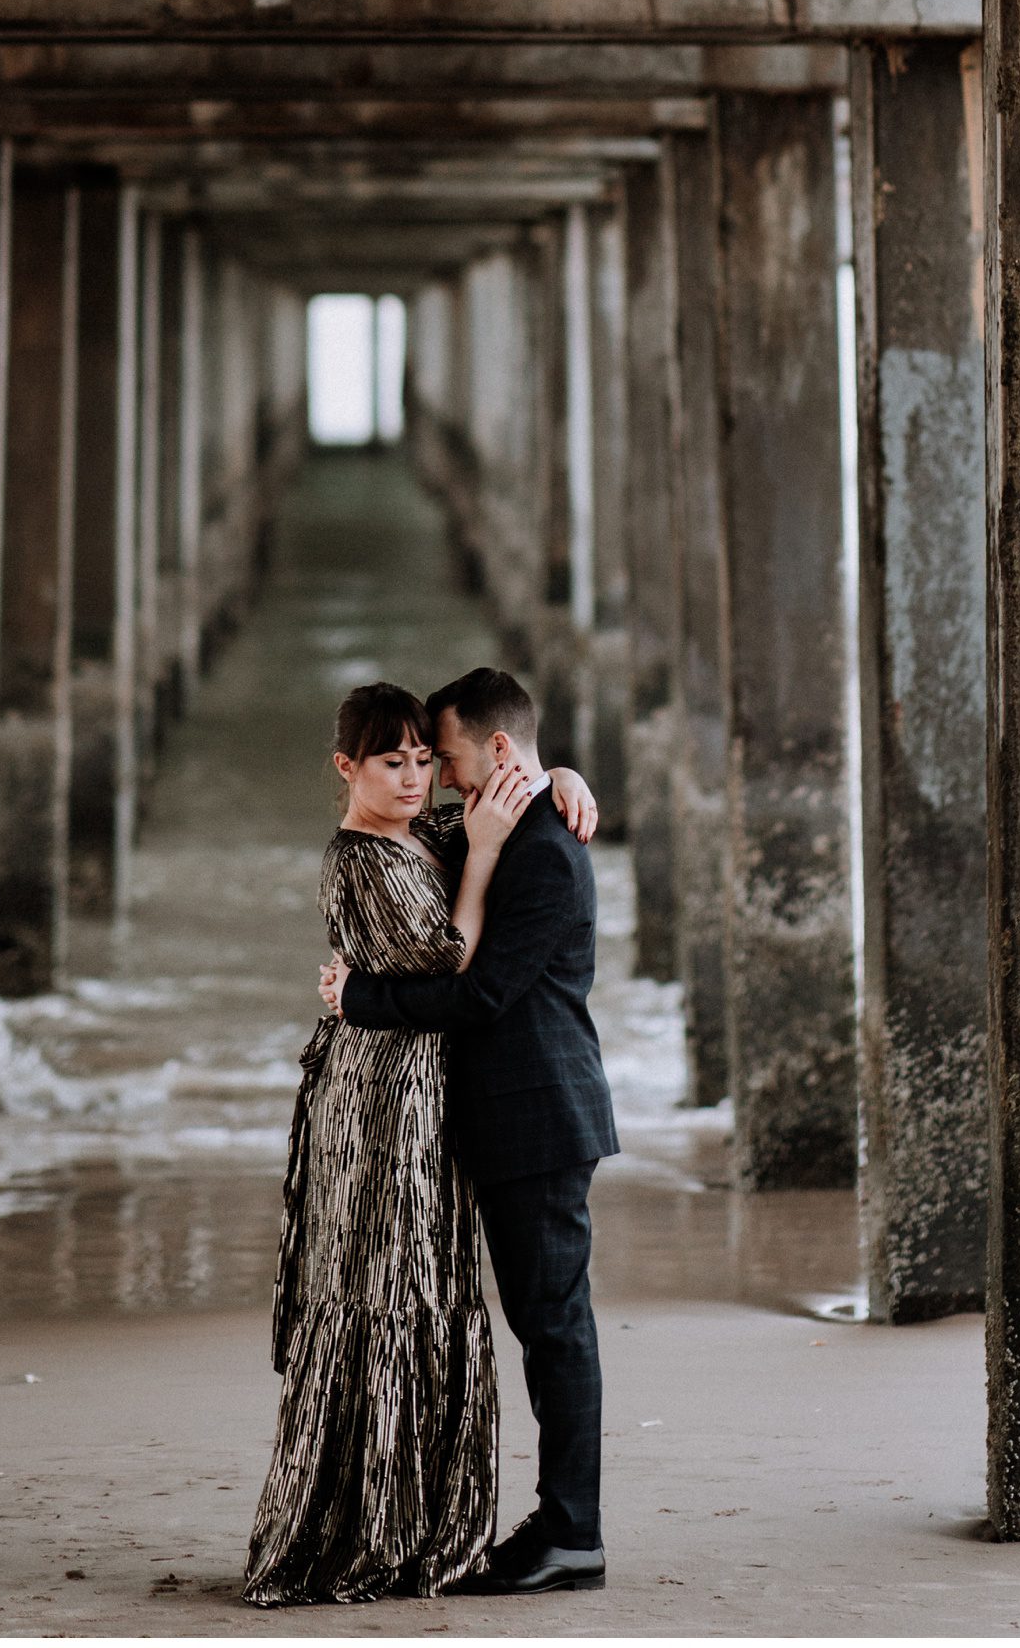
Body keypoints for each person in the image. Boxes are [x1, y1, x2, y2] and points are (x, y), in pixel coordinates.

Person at [243, 682, 596, 1608]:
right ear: (350, 767)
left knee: (549, 1326)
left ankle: (569, 1531)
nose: (433, 781)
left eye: (442, 760)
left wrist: (359, 997)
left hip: (529, 1115)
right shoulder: (435, 841)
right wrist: (542, 780)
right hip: (421, 1114)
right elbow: (449, 942)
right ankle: (402, 1522)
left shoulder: (529, 849)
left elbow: (473, 992)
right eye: (406, 761)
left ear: (498, 759)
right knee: (463, 1309)